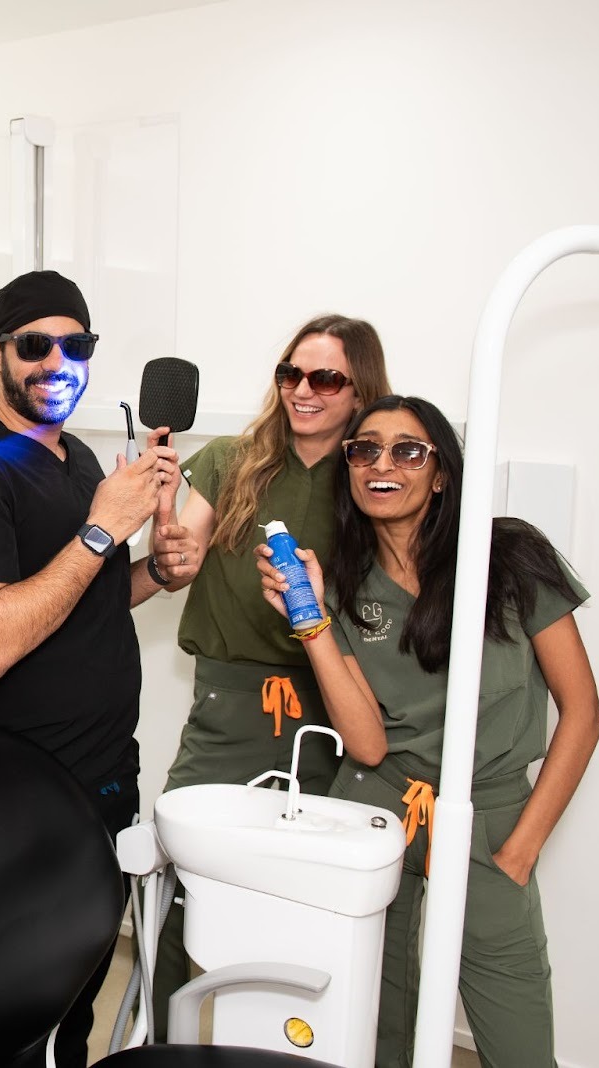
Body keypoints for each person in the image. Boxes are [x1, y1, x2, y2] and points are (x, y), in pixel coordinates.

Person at [258, 394, 599, 1068]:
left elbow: (583, 711)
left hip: (487, 822)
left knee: (521, 1043)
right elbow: (367, 745)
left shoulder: (507, 557)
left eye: (407, 451)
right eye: (365, 450)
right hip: (378, 814)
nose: (382, 465)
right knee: (375, 1027)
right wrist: (310, 620)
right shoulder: (344, 585)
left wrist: (522, 849)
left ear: (441, 472)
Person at [0, 270, 195, 1066]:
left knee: (75, 1005)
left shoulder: (77, 460)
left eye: (76, 345)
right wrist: (104, 531)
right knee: (20, 1015)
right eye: (35, 345)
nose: (56, 362)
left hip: (105, 774)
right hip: (21, 793)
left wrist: (156, 574)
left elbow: (80, 604)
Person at [151, 314, 392, 1032]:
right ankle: (165, 1042)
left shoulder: (370, 480)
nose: (303, 390)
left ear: (360, 390)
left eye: (326, 378)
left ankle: (277, 1041)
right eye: (291, 374)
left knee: (299, 903)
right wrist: (166, 545)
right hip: (228, 711)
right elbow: (176, 564)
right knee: (183, 884)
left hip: (329, 720)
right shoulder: (230, 460)